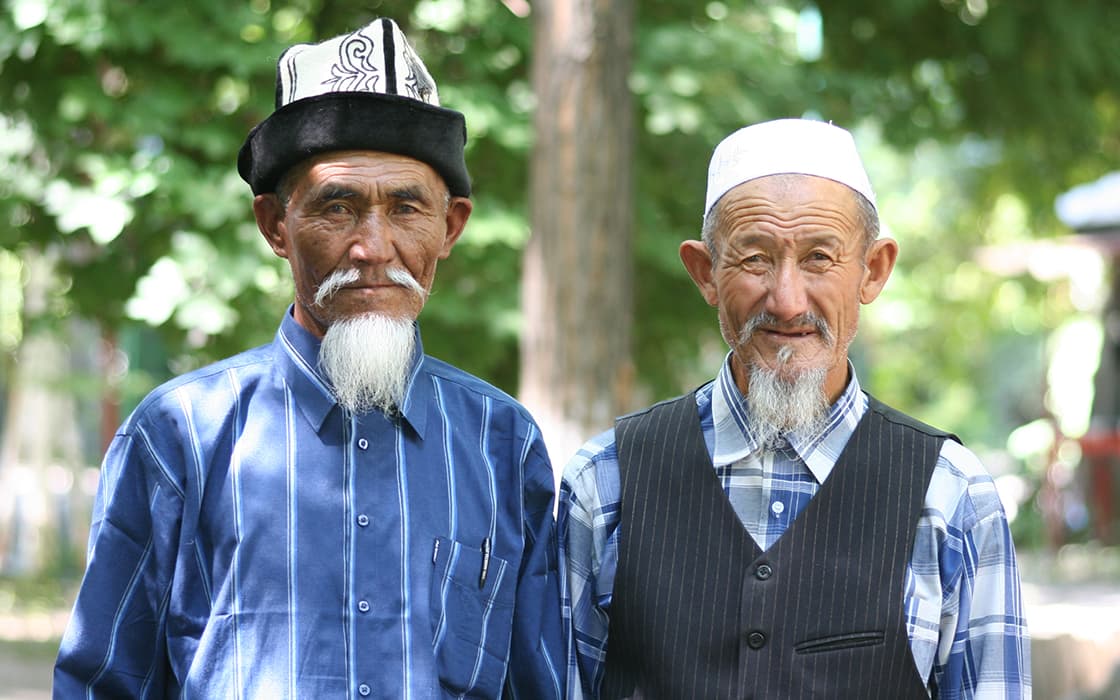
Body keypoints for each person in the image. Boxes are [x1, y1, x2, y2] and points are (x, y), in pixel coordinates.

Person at [54, 18, 564, 699]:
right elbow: (102, 683)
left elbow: (540, 683)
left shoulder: (502, 443)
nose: (372, 247)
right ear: (275, 226)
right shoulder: (179, 437)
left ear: (451, 227)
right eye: (338, 208)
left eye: (407, 208)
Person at [559, 118, 1031, 699]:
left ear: (873, 269)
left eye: (819, 259)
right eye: (754, 259)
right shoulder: (605, 486)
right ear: (705, 273)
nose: (786, 300)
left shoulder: (953, 502)